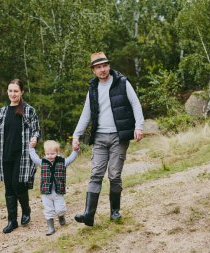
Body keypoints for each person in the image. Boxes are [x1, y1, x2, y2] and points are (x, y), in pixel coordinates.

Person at [72, 52, 144, 226]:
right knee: (95, 174)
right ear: (93, 70)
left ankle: (115, 212)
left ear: (108, 66)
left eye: (104, 66)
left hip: (119, 137)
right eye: (98, 67)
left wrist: (139, 126)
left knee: (114, 175)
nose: (102, 69)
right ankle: (89, 215)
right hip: (99, 138)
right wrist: (76, 135)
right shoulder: (93, 88)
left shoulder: (122, 82)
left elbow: (135, 104)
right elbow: (86, 114)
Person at [0, 79, 41, 234]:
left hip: (23, 155)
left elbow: (36, 130)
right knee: (9, 188)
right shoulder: (2, 112)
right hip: (5, 156)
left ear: (22, 92)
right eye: (10, 91)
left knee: (18, 184)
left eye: (16, 91)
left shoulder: (29, 110)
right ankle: (12, 221)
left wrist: (35, 138)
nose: (12, 94)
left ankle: (26, 210)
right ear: (7, 92)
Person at [29, 140, 78, 236]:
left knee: (60, 209)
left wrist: (75, 150)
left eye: (52, 153)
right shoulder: (42, 162)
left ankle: (61, 216)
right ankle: (50, 227)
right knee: (48, 209)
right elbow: (34, 158)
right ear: (45, 153)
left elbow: (71, 158)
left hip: (58, 191)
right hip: (46, 192)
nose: (50, 156)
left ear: (57, 152)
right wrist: (31, 148)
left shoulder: (62, 162)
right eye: (47, 154)